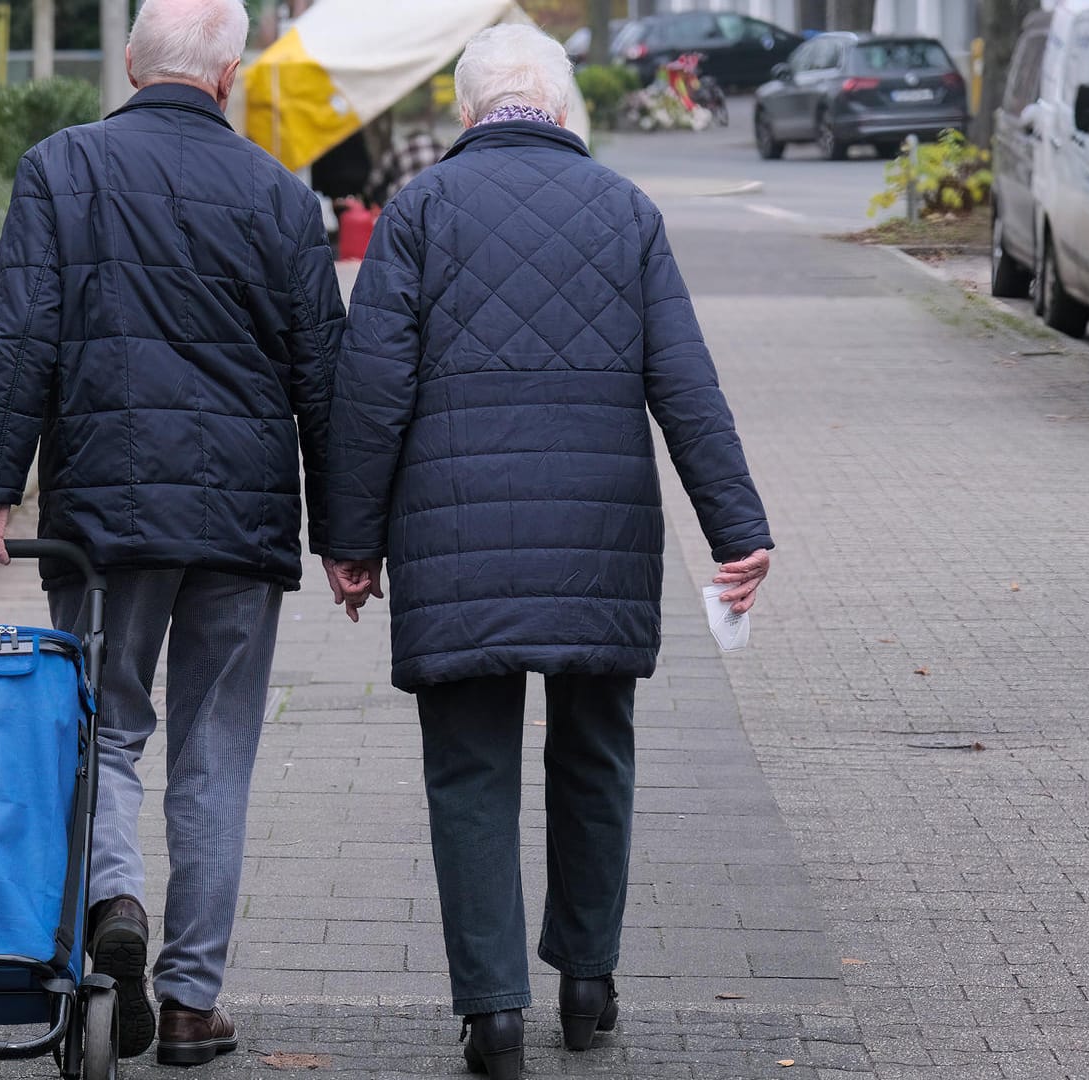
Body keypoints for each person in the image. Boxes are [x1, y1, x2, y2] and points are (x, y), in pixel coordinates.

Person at [323, 24, 773, 1080]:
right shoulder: (626, 210)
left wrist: (352, 541)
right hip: (599, 536)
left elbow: (371, 385)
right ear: (562, 110)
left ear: (467, 111)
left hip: (456, 537)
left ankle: (492, 1016)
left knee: (470, 768)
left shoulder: (422, 211)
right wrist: (738, 531)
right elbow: (687, 386)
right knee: (596, 753)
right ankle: (586, 982)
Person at [0, 0, 347, 1065]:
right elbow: (326, 378)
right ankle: (188, 1003)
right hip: (240, 519)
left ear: (130, 62)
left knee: (107, 728)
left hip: (106, 519)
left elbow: (19, 332)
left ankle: (114, 898)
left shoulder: (60, 169)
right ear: (229, 77)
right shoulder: (279, 194)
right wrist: (350, 538)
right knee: (217, 756)